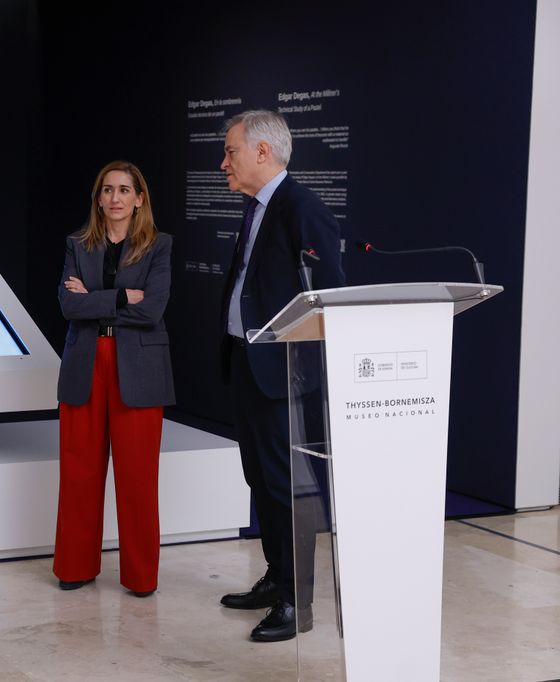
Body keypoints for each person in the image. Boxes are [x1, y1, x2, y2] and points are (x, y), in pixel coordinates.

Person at [216, 110, 345, 641]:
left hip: (282, 372)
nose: (224, 162)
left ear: (262, 152)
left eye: (231, 152)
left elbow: (327, 294)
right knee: (260, 479)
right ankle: (276, 577)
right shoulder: (257, 207)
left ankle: (298, 602)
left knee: (286, 486)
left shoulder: (302, 207)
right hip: (251, 364)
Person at [54, 160, 175, 598]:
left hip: (138, 366)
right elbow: (68, 306)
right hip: (86, 361)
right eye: (107, 190)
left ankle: (140, 576)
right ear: (98, 197)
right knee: (79, 471)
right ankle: (74, 565)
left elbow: (153, 309)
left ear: (139, 198)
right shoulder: (77, 244)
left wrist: (97, 301)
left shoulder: (159, 246)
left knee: (137, 477)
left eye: (125, 190)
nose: (115, 198)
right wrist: (123, 296)